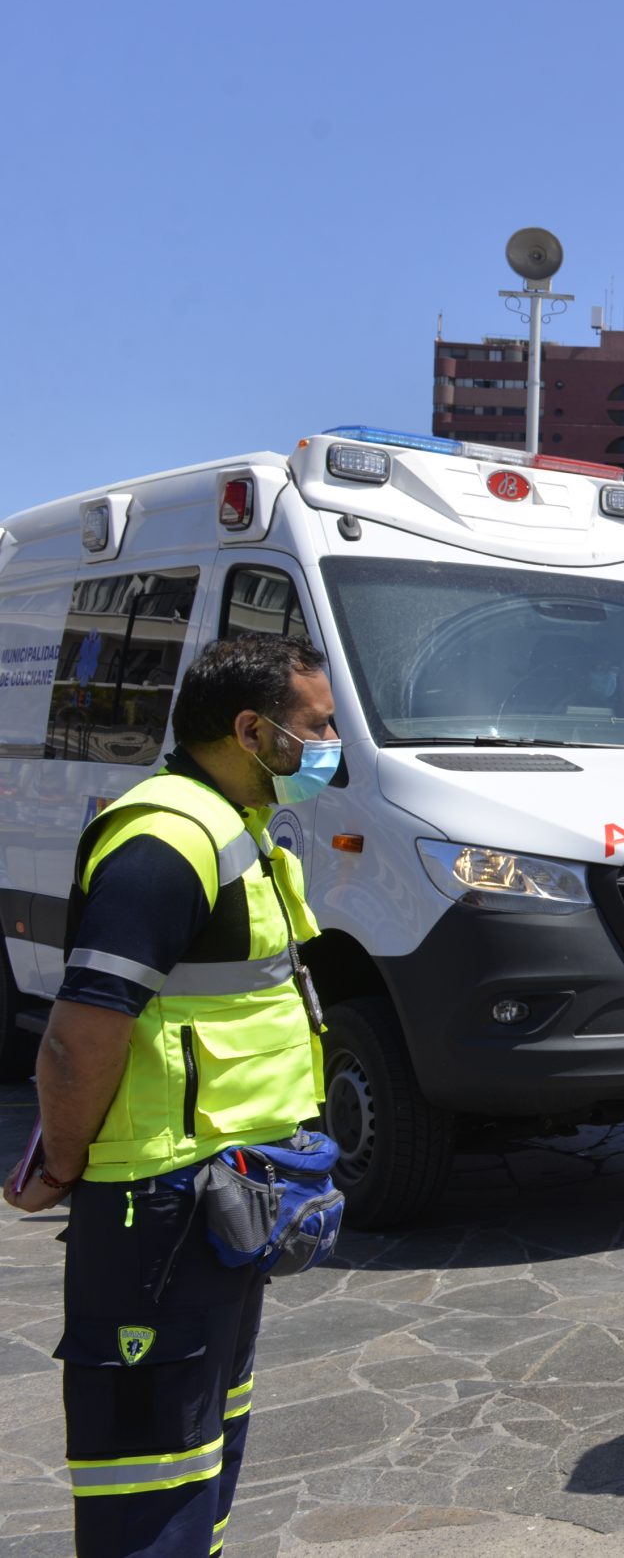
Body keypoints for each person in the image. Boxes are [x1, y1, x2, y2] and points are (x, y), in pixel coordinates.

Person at [3, 635, 333, 1558]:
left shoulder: (235, 826)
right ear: (251, 730)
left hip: (220, 1194)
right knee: (148, 1473)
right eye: (316, 727)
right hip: (158, 1201)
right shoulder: (165, 841)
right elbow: (79, 1036)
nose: (328, 746)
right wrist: (59, 1164)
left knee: (199, 1446)